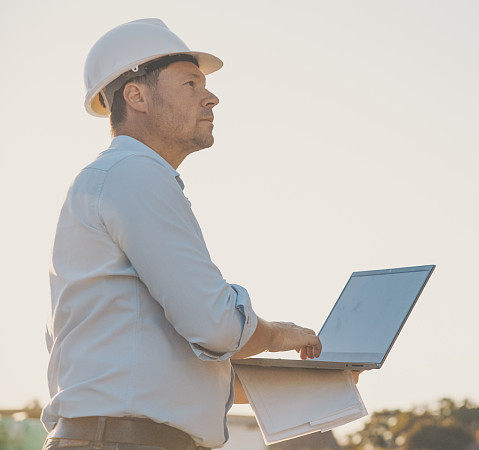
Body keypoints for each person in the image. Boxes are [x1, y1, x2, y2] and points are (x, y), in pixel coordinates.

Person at [42, 18, 358, 450]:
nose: (211, 97)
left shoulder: (115, 181)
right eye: (191, 84)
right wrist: (279, 333)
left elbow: (166, 374)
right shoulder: (133, 174)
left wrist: (323, 384)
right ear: (136, 96)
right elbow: (215, 327)